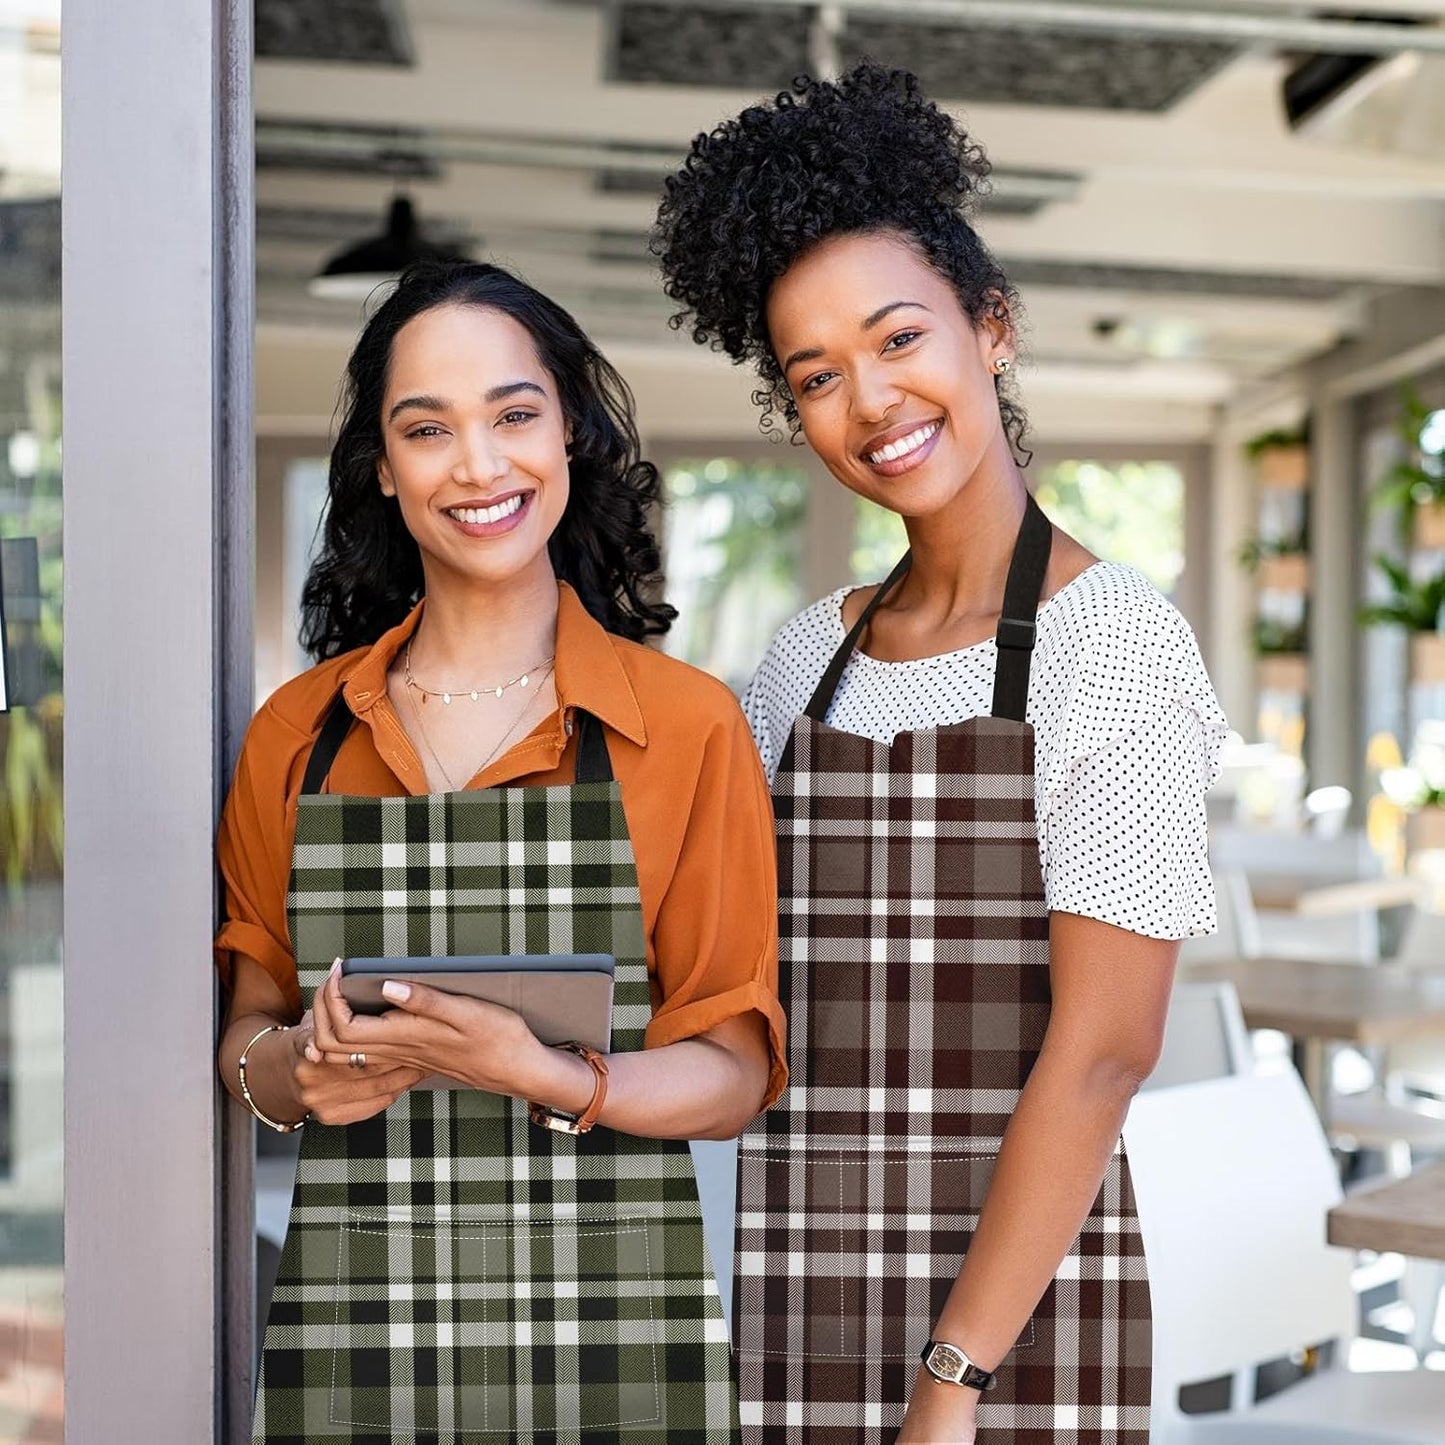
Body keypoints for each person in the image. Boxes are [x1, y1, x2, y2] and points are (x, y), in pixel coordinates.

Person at [654, 63, 1227, 1445]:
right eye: (816, 376)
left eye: (899, 337)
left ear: (992, 328)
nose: (871, 399)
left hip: (1011, 1320)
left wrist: (947, 1388)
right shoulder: (802, 659)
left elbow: (1102, 1053)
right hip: (798, 1280)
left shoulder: (1116, 648)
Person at [214, 259, 786, 1444]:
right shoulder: (297, 734)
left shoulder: (682, 727)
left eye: (514, 415)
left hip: (618, 1332)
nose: (478, 465)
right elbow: (248, 1025)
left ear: (569, 431)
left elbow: (732, 1067)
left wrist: (547, 1072)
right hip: (353, 1329)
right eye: (428, 429)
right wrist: (290, 1072)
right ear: (385, 466)